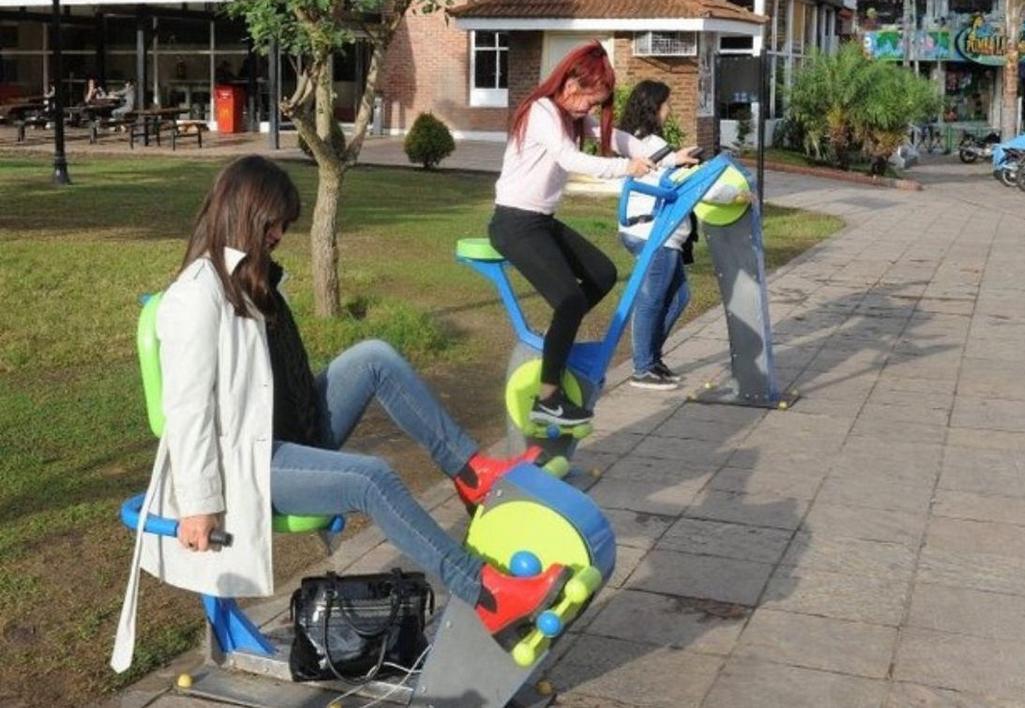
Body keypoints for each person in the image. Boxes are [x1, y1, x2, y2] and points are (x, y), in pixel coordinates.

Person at [112, 156, 569, 673]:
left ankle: (471, 472)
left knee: (374, 356)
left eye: (285, 223)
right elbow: (188, 411)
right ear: (244, 214)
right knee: (373, 477)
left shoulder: (250, 279)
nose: (281, 233)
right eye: (274, 223)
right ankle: (488, 595)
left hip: (292, 431)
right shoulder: (196, 296)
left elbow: (278, 378)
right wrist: (199, 505)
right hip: (249, 461)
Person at [488, 41, 697, 425]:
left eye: (595, 103)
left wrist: (667, 156)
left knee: (602, 274)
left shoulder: (570, 115)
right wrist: (626, 170)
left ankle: (556, 342)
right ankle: (547, 399)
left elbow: (616, 139)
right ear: (571, 82)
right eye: (589, 99)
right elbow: (571, 159)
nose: (589, 108)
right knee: (568, 298)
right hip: (513, 223)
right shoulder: (542, 111)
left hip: (541, 221)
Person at [615, 80, 742, 390]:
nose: (669, 110)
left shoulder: (641, 141)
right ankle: (643, 367)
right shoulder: (650, 142)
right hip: (654, 234)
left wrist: (677, 157)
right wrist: (736, 196)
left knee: (679, 297)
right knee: (652, 300)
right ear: (653, 108)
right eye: (666, 104)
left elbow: (673, 168)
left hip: (651, 232)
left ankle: (651, 359)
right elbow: (694, 184)